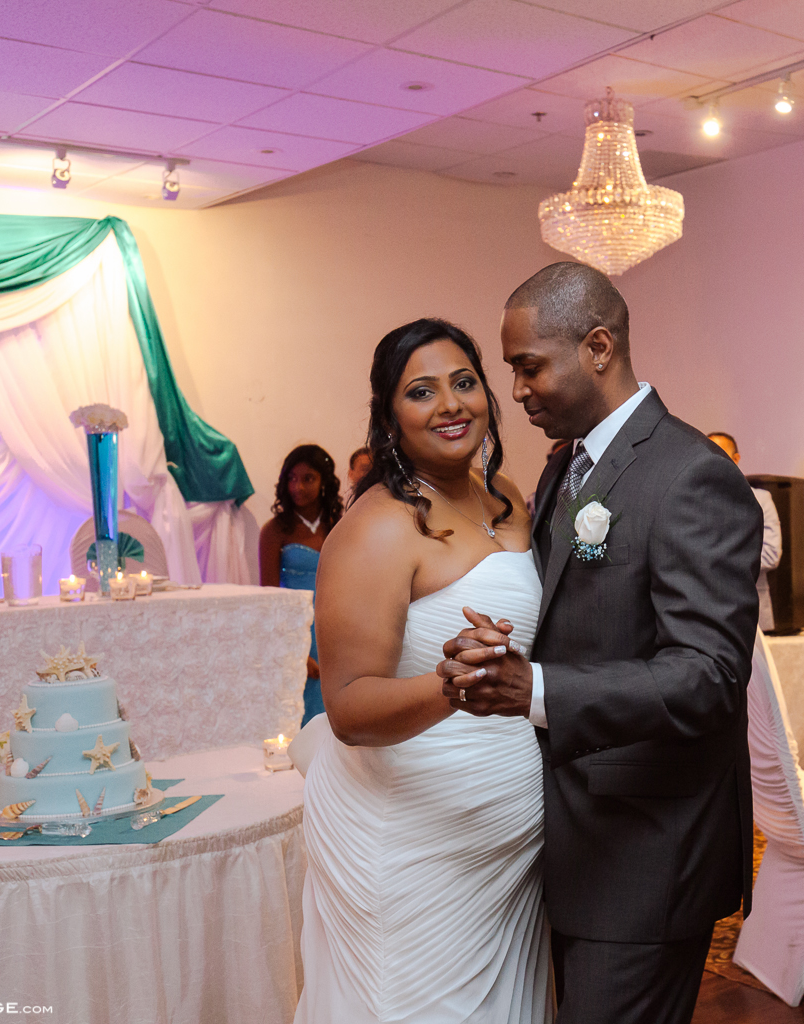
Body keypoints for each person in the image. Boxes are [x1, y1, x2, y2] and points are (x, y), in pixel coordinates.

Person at [436, 262, 762, 1024]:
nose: (515, 391)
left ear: (599, 347)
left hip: (646, 849)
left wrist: (539, 691)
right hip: (567, 833)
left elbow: (710, 675)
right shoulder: (564, 469)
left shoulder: (691, 475)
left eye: (529, 367)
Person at [294, 319, 545, 1023]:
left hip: (508, 853)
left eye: (464, 383)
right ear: (389, 417)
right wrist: (454, 685)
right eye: (422, 391)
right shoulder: (376, 529)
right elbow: (347, 707)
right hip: (414, 846)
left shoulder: (511, 499)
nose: (450, 405)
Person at [259, 444, 343, 727]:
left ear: (324, 482)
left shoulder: (340, 526)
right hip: (298, 632)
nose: (298, 487)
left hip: (336, 628)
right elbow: (270, 600)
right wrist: (296, 649)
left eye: (308, 478)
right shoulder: (274, 531)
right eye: (291, 479)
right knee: (302, 717)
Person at [709, 431, 782, 631]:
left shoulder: (761, 499)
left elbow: (771, 554)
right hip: (707, 612)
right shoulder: (692, 499)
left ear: (736, 458)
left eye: (720, 453)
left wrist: (712, 562)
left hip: (752, 611)